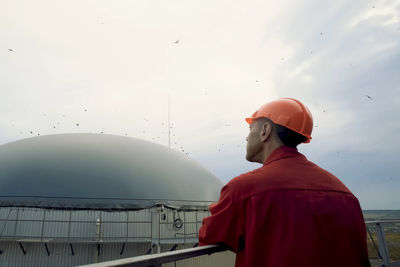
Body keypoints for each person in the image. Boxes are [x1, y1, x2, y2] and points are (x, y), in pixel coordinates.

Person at [198, 98, 370, 267]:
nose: (246, 137)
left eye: (251, 129)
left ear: (265, 131)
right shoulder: (346, 194)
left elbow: (210, 235)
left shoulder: (243, 189)